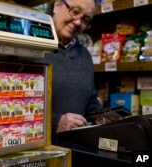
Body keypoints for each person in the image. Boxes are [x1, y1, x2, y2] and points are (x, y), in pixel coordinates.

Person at [39, 0, 117, 143]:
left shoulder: (85, 55)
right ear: (57, 5)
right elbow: (12, 101)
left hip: (76, 148)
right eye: (75, 12)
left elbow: (90, 99)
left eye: (85, 20)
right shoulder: (31, 46)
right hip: (37, 150)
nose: (77, 23)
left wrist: (100, 115)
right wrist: (55, 122)